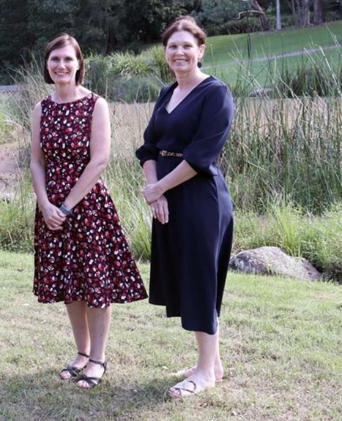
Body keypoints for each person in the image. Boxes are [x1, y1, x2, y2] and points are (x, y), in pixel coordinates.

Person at [30, 34, 148, 389]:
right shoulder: (42, 108)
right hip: (52, 208)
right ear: (47, 65)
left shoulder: (96, 104)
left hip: (87, 207)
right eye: (55, 60)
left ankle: (98, 358)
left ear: (80, 64)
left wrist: (66, 204)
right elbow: (36, 161)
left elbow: (100, 160)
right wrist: (45, 203)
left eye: (68, 59)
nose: (61, 65)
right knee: (70, 282)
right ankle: (81, 352)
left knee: (95, 282)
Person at [136, 16, 235, 398]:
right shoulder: (166, 92)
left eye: (186, 46)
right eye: (172, 46)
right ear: (166, 52)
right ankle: (212, 362)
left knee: (200, 280)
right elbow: (148, 147)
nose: (179, 52)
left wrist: (159, 186)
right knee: (187, 277)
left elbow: (200, 157)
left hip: (200, 200)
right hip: (168, 196)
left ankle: (205, 373)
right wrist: (155, 191)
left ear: (201, 50)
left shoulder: (216, 94)